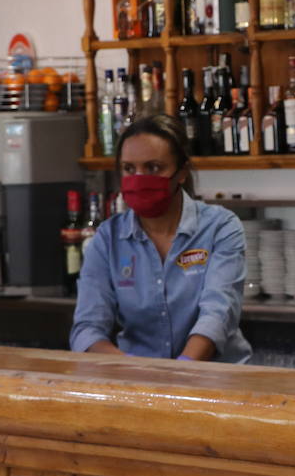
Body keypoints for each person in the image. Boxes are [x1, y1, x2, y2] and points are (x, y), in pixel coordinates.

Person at [71, 114, 252, 363]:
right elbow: (87, 329)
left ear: (181, 173)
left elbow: (217, 313)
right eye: (129, 169)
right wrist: (131, 368)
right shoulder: (107, 238)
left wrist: (183, 369)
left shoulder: (220, 227)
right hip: (137, 381)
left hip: (215, 381)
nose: (139, 178)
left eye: (154, 167)